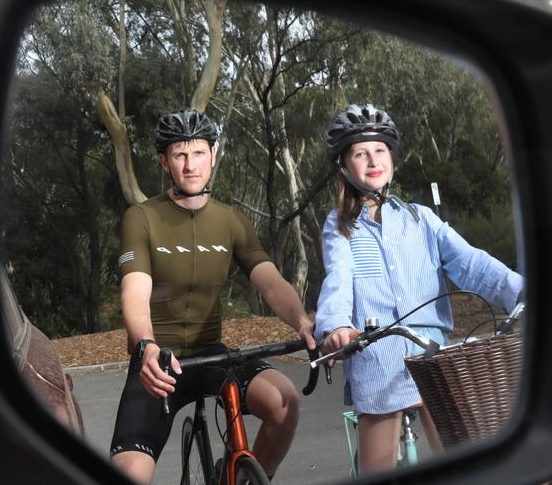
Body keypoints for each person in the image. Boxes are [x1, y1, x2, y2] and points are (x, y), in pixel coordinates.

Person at [314, 103, 525, 474]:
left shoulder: (420, 218)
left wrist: (519, 291)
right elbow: (338, 277)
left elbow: (470, 263)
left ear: (392, 157)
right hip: (377, 359)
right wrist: (334, 327)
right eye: (360, 153)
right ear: (345, 166)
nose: (372, 159)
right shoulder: (341, 226)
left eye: (380, 149)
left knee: (465, 463)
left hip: (433, 356)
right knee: (377, 468)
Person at [110, 109, 316, 484]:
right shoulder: (141, 218)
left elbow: (270, 283)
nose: (190, 165)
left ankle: (242, 481)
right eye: (179, 155)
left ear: (214, 156)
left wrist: (303, 322)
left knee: (286, 402)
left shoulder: (231, 220)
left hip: (212, 356)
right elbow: (135, 292)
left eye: (199, 153)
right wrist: (147, 347)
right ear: (164, 162)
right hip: (158, 364)